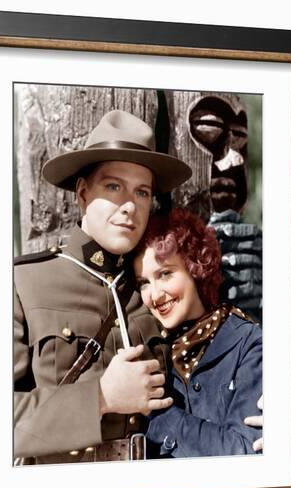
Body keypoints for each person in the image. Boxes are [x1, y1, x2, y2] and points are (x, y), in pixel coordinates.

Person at [14, 110, 192, 464]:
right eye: (114, 187)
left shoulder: (158, 290)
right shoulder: (23, 283)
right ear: (82, 193)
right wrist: (100, 397)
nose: (129, 206)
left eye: (142, 192)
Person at [132, 208, 262, 457]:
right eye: (144, 283)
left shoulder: (249, 344)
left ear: (196, 267)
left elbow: (243, 452)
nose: (155, 295)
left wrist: (157, 416)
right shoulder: (151, 351)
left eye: (165, 274)